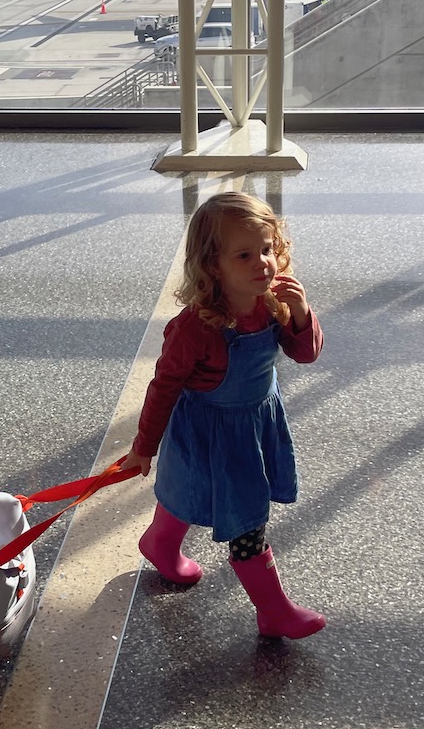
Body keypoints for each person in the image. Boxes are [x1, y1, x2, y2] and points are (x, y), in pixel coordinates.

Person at [123, 191, 325, 639]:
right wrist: (143, 447)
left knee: (195, 495)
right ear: (213, 266)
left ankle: (159, 543)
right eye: (245, 255)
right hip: (208, 430)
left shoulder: (271, 303)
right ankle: (274, 610)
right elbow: (164, 386)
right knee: (240, 516)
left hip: (254, 423)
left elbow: (305, 354)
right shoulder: (197, 327)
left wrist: (301, 314)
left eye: (268, 250)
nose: (264, 264)